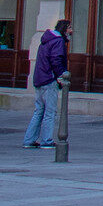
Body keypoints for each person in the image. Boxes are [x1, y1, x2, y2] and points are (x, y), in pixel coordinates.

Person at [22, 18, 69, 150]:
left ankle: (29, 140)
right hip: (49, 80)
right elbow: (56, 60)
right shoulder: (58, 41)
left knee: (39, 111)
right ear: (65, 29)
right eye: (70, 28)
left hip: (39, 79)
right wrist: (60, 76)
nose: (72, 31)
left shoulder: (46, 40)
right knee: (50, 112)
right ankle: (47, 141)